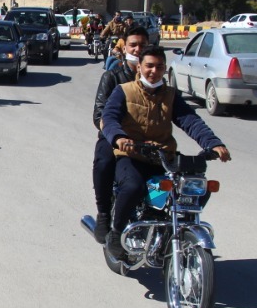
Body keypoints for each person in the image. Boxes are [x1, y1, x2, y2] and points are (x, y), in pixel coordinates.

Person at [101, 47, 232, 261]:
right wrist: (119, 138)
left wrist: (213, 143)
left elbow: (191, 121)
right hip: (132, 155)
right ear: (140, 67)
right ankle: (116, 234)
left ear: (164, 69)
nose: (154, 71)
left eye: (159, 66)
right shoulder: (124, 91)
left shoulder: (171, 95)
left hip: (162, 157)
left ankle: (173, 229)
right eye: (149, 66)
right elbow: (109, 117)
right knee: (133, 187)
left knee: (197, 189)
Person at [89, 26, 149, 243]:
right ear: (124, 48)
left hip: (146, 138)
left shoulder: (154, 77)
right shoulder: (112, 76)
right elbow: (99, 114)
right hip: (114, 137)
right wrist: (116, 135)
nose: (138, 49)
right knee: (104, 162)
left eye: (142, 45)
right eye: (133, 45)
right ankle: (104, 214)